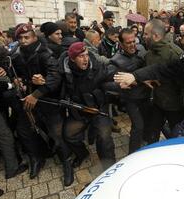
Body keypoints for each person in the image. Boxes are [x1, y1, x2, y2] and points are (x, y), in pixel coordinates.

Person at [11, 24, 69, 182]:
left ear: (34, 37)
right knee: (24, 130)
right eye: (20, 38)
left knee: (57, 132)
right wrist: (19, 80)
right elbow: (16, 73)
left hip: (48, 99)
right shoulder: (17, 55)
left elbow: (55, 76)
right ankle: (36, 158)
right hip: (28, 99)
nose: (23, 41)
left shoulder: (46, 53)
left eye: (26, 37)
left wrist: (38, 91)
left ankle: (66, 163)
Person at [59, 42, 116, 169]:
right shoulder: (63, 71)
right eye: (81, 56)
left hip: (98, 109)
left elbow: (111, 77)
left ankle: (109, 168)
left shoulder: (98, 67)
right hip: (79, 111)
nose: (85, 59)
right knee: (69, 135)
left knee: (104, 137)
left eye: (86, 55)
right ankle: (82, 154)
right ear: (73, 59)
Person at [107, 28, 148, 153]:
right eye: (128, 42)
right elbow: (105, 84)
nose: (132, 45)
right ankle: (132, 154)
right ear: (121, 44)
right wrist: (119, 85)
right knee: (138, 126)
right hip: (132, 99)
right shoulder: (115, 61)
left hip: (147, 95)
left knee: (148, 124)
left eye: (134, 41)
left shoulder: (141, 50)